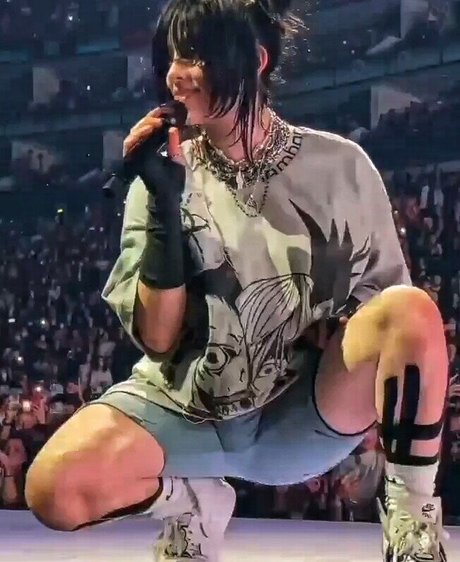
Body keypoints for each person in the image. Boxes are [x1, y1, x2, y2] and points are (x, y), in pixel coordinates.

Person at [25, 1, 448, 561]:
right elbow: (157, 339)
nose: (176, 74)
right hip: (185, 408)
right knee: (52, 490)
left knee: (411, 311)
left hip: (300, 414)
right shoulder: (163, 173)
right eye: (172, 57)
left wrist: (334, 324)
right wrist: (163, 204)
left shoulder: (343, 167)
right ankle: (191, 503)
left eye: (195, 56)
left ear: (255, 60)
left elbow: (386, 312)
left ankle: (413, 526)